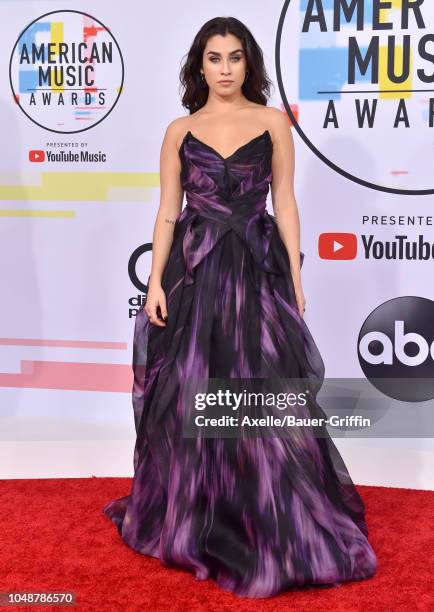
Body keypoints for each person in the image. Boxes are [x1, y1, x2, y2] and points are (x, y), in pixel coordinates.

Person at [103, 16, 377, 599]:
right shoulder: (180, 130)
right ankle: (200, 516)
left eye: (233, 58)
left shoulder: (273, 121)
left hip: (255, 267)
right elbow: (168, 213)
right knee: (192, 390)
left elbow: (287, 202)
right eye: (213, 58)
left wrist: (297, 276)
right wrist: (154, 281)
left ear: (249, 62)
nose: (224, 69)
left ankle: (268, 514)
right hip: (196, 273)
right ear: (198, 66)